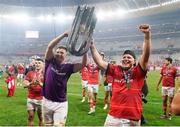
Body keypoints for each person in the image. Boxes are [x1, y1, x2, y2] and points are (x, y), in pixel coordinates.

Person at [90, 24, 151, 126]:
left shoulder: (138, 71)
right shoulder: (115, 69)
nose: (126, 59)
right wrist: (92, 46)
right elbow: (99, 62)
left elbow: (146, 54)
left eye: (129, 57)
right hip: (114, 117)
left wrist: (147, 36)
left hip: (133, 118)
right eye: (124, 57)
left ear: (134, 61)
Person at [42, 31, 87, 126]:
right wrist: (63, 35)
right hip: (46, 101)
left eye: (61, 52)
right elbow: (50, 47)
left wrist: (84, 51)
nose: (58, 54)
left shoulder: (69, 67)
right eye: (57, 52)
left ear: (66, 55)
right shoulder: (50, 62)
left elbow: (83, 64)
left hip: (61, 104)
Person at [24, 58, 44, 126]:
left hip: (41, 99)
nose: (37, 64)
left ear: (43, 65)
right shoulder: (30, 73)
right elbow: (25, 84)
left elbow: (49, 88)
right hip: (31, 98)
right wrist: (31, 83)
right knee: (30, 117)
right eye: (36, 63)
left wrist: (40, 83)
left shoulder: (46, 74)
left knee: (41, 118)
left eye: (39, 63)